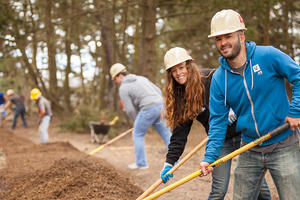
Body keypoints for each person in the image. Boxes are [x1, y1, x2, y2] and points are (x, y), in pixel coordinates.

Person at [199, 9, 300, 199]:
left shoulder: (268, 56)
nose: (223, 43)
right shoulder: (220, 79)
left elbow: (298, 77)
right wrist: (210, 157)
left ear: (241, 36)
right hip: (250, 147)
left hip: (283, 142)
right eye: (218, 39)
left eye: (228, 36)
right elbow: (218, 122)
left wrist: (296, 111)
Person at [159, 47, 271, 199]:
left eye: (181, 68)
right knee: (218, 189)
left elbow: (242, 88)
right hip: (219, 141)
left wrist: (234, 108)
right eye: (174, 71)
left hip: (243, 135)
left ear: (188, 66)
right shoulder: (181, 97)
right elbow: (180, 133)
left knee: (259, 187)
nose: (179, 73)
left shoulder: (211, 77)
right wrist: (169, 163)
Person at [110, 63, 172, 169]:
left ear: (120, 75)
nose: (115, 82)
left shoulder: (123, 88)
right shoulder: (141, 78)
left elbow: (129, 109)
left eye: (115, 79)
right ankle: (176, 161)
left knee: (137, 133)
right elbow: (157, 90)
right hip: (161, 105)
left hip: (148, 108)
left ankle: (141, 163)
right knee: (166, 133)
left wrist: (136, 121)